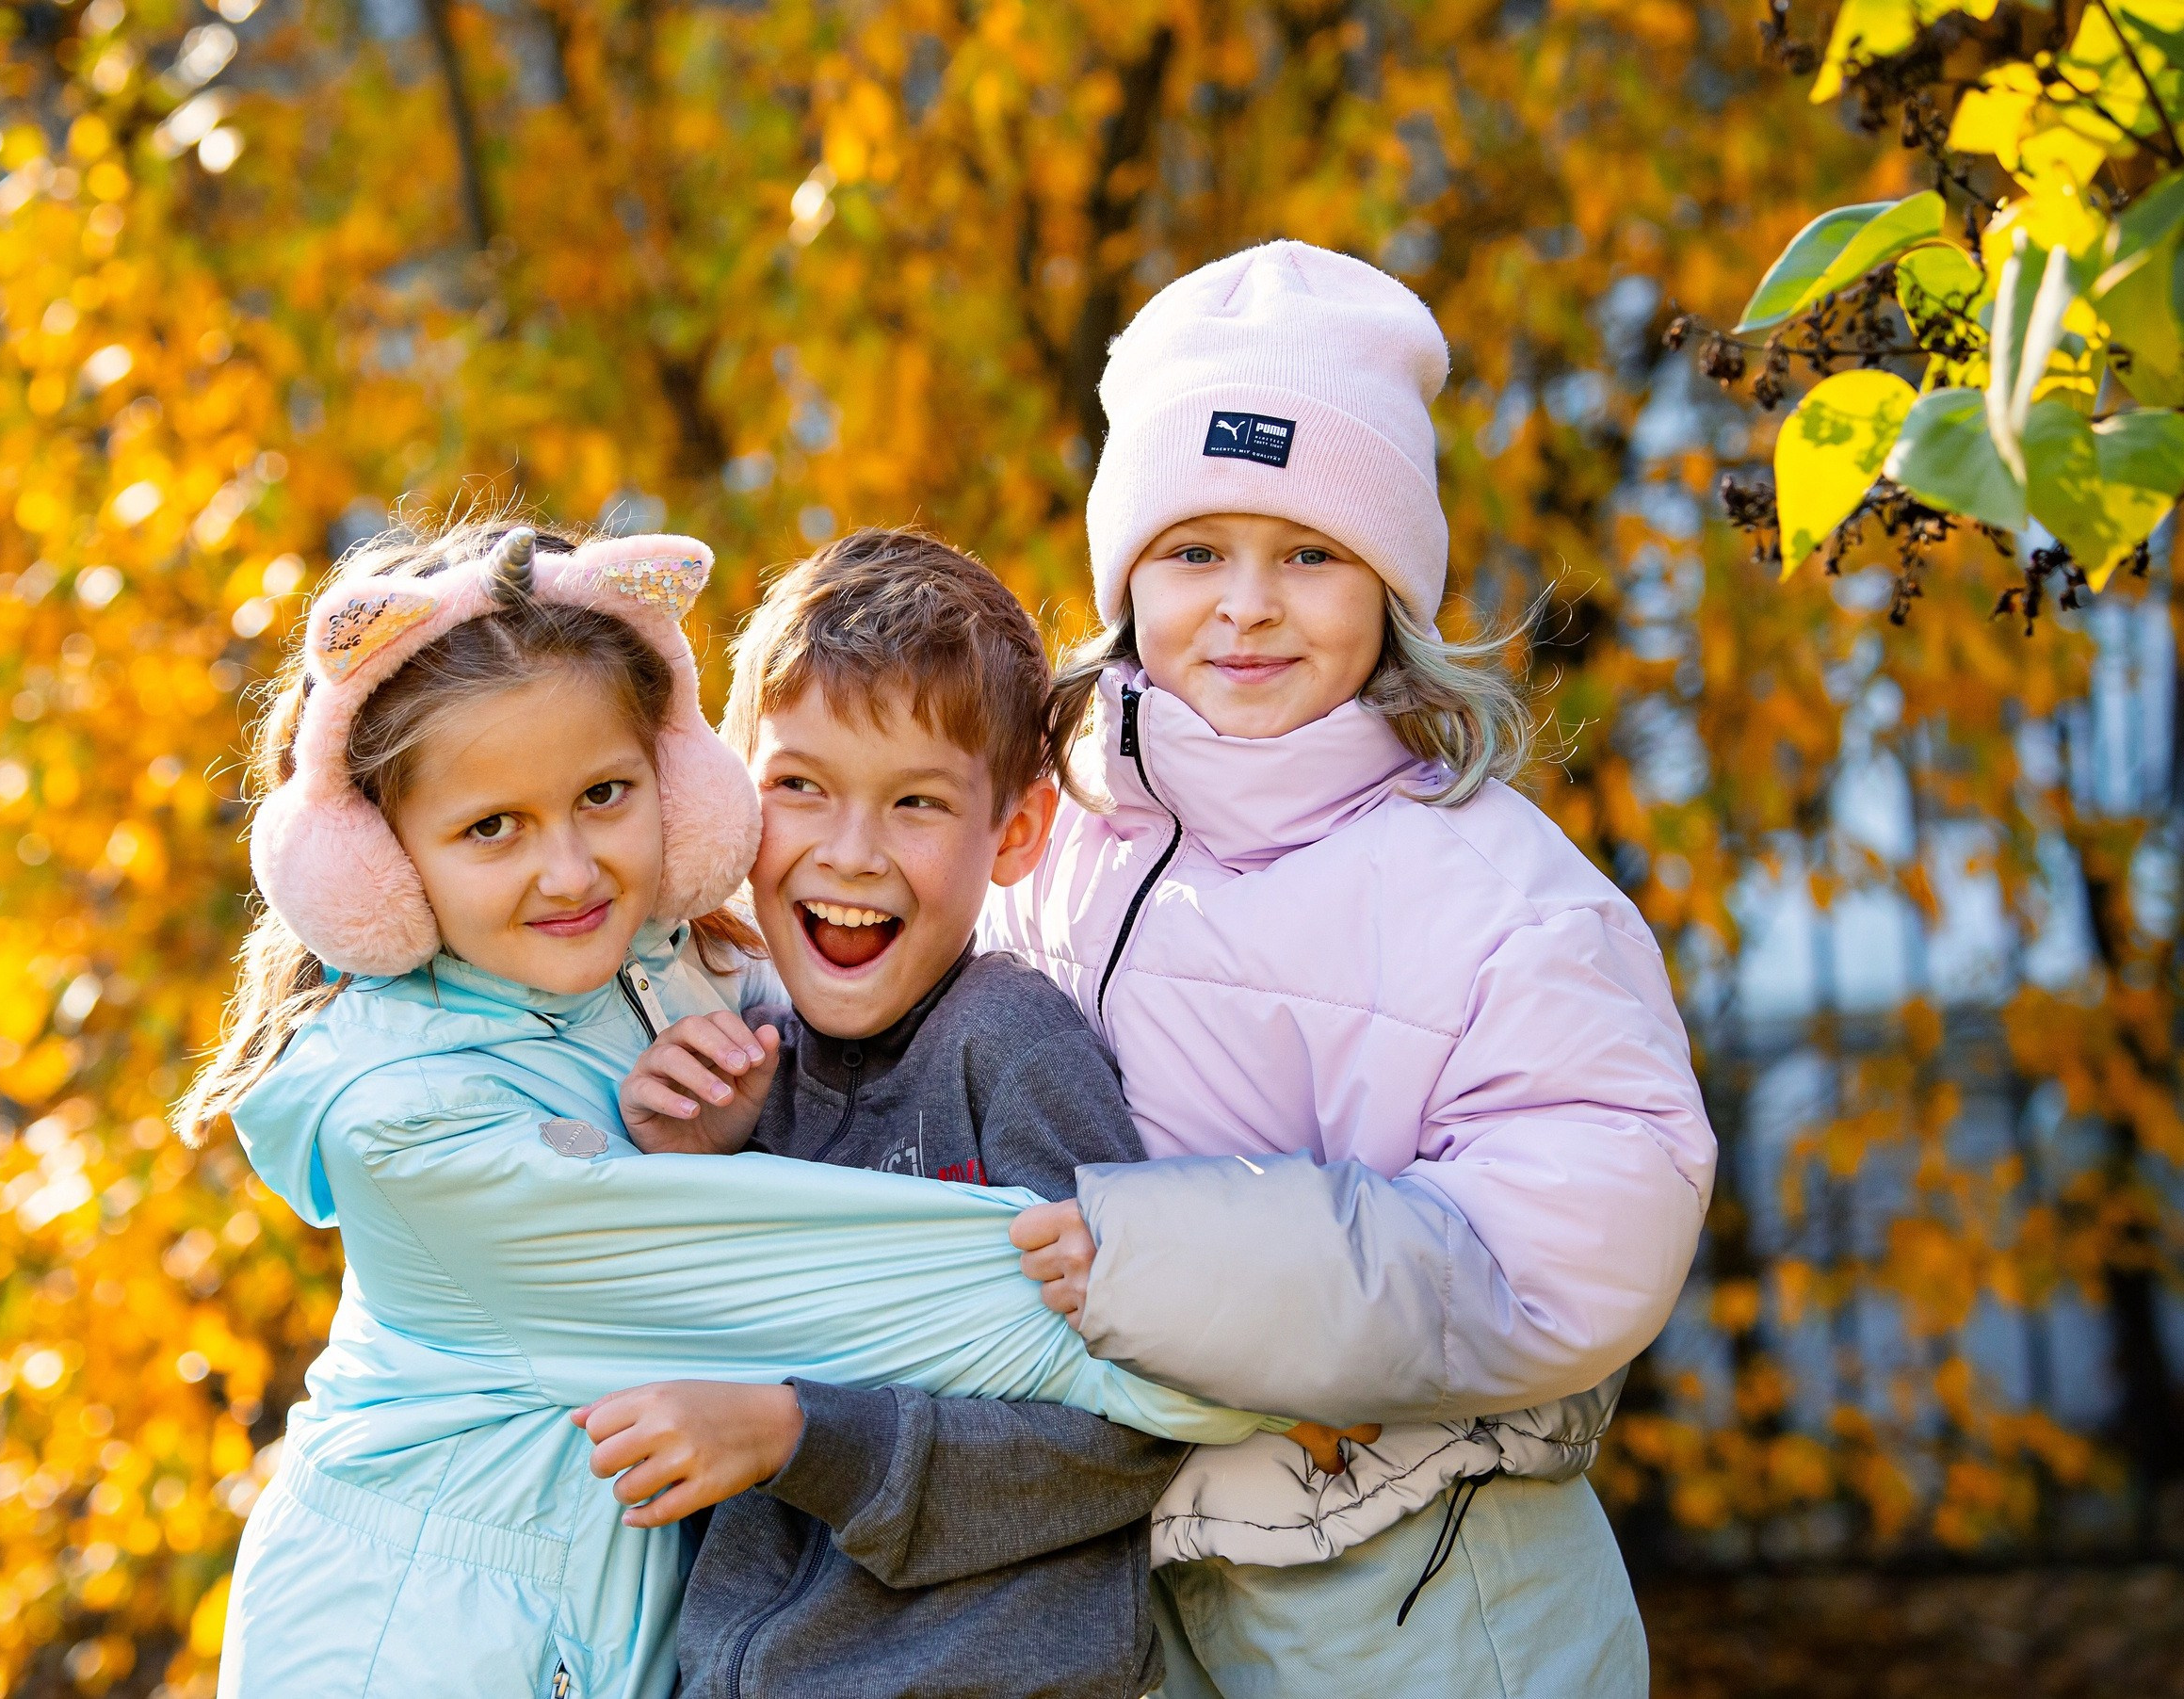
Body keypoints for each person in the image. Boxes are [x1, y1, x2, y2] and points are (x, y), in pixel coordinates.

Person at [175, 515, 1270, 1699]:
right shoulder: (407, 1126)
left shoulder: (703, 989)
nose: (570, 871)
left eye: (605, 793)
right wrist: (1216, 1300)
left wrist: (715, 1155)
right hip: (406, 1647)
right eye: (490, 825)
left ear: (685, 792)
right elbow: (1132, 1346)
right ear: (375, 865)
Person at [994, 240, 1719, 1697]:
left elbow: (1571, 1247)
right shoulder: (1041, 838)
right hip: (1127, 1581)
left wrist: (1173, 1262)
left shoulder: (1496, 895)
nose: (1248, 605)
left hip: (1426, 1595)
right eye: (1195, 551)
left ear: (1390, 585)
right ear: (1124, 578)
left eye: (1311, 554)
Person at [598, 529, 1346, 1699]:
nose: (851, 853)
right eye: (799, 786)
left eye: (915, 802)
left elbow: (1131, 1428)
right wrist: (691, 1164)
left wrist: (803, 1438)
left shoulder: (1008, 1045)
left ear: (1016, 831)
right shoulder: (737, 1056)